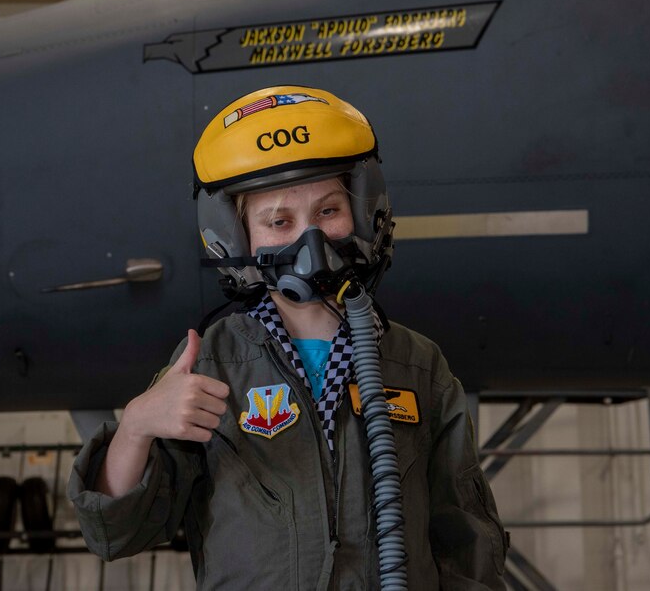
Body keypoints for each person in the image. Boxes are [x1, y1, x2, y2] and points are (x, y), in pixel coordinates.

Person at [68, 86, 507, 589]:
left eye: (329, 211)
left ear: (361, 212)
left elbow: (466, 540)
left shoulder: (418, 366)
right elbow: (116, 533)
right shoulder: (212, 364)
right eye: (279, 221)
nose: (310, 239)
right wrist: (137, 426)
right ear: (239, 238)